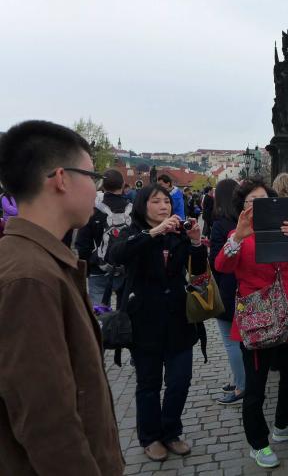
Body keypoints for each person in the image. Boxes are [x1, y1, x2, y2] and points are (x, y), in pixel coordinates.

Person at [0, 120, 125, 475]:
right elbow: (48, 424)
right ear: (61, 179)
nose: (96, 189)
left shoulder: (34, 260)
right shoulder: (30, 277)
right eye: (92, 176)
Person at [214, 178, 288, 470]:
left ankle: (282, 425)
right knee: (256, 387)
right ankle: (258, 443)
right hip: (258, 321)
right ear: (243, 208)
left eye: (265, 201)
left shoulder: (284, 229)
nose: (259, 206)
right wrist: (238, 237)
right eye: (252, 202)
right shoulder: (237, 236)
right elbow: (221, 265)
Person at [107, 184, 207, 462]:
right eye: (156, 201)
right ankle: (150, 437)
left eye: (167, 201)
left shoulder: (178, 234)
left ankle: (171, 431)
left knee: (180, 381)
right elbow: (115, 255)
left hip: (178, 319)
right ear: (143, 206)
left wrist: (196, 242)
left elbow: (198, 270)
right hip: (144, 321)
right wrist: (153, 233)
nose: (164, 206)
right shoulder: (132, 233)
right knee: (149, 384)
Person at [208, 179, 246, 404]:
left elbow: (215, 261)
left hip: (227, 288)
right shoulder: (245, 222)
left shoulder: (220, 225)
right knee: (242, 341)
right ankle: (239, 378)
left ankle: (241, 387)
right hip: (245, 286)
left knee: (231, 342)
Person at [75, 169, 132, 305]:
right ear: (123, 185)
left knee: (99, 313)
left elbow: (83, 244)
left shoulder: (93, 210)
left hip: (98, 268)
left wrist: (88, 268)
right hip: (125, 270)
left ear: (103, 186)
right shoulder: (132, 210)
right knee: (124, 313)